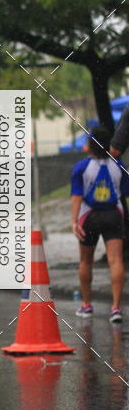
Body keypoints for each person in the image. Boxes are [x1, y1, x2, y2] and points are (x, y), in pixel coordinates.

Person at [71, 125, 129, 322]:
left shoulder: (81, 167)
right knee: (116, 260)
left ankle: (86, 305)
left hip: (89, 217)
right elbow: (124, 193)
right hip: (114, 215)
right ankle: (116, 308)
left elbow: (77, 196)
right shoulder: (119, 165)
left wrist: (74, 221)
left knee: (85, 261)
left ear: (90, 145)